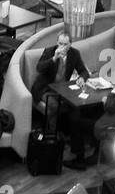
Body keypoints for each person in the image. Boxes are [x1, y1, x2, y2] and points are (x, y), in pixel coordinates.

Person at [29, 31, 97, 169]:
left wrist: (81, 78)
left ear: (70, 44)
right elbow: (39, 68)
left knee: (75, 111)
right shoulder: (49, 52)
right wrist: (53, 59)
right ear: (57, 42)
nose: (62, 46)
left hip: (63, 89)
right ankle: (51, 139)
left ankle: (78, 153)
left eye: (65, 44)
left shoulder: (74, 54)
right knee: (53, 105)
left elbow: (84, 71)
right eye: (60, 43)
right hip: (44, 88)